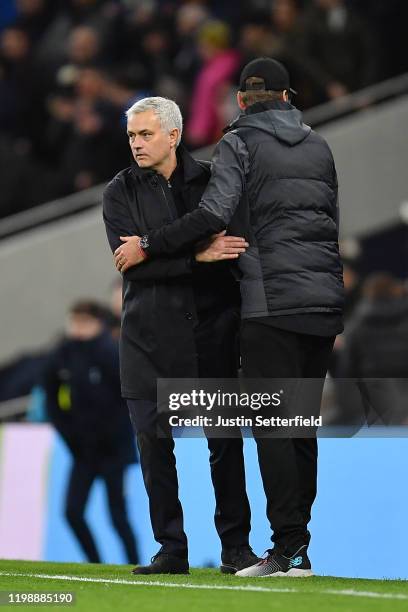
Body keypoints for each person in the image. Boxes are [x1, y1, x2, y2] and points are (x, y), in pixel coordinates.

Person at [118, 59, 345, 577]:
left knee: (272, 426)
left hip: (271, 304)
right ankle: (298, 548)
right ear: (287, 96)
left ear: (240, 100)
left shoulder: (238, 142)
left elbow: (214, 214)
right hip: (323, 300)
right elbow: (329, 219)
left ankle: (287, 548)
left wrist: (151, 244)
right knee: (301, 426)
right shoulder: (319, 144)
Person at [102, 96, 258, 575]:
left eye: (145, 134)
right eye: (131, 135)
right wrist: (195, 257)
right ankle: (171, 549)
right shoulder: (118, 192)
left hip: (211, 329)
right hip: (147, 337)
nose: (136, 144)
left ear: (173, 135)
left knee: (225, 443)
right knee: (153, 445)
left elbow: (229, 249)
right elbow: (133, 269)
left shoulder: (212, 181)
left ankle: (236, 549)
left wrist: (159, 253)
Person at [43, 300, 139, 565]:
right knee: (72, 512)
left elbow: (126, 398)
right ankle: (94, 563)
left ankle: (135, 562)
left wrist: (116, 435)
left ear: (98, 324)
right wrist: (69, 434)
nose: (78, 328)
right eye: (74, 321)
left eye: (84, 322)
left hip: (113, 450)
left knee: (117, 515)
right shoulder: (61, 354)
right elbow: (50, 398)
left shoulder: (111, 352)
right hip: (82, 450)